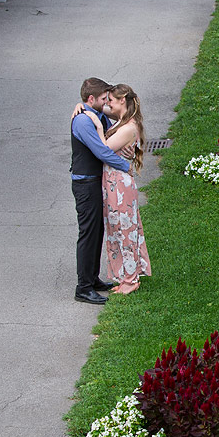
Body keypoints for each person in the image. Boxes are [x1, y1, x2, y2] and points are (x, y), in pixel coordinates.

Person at [75, 83, 152, 294]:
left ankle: (130, 280)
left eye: (111, 100)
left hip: (120, 185)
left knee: (125, 230)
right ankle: (126, 276)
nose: (107, 104)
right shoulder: (122, 120)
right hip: (112, 183)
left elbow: (104, 149)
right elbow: (94, 104)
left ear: (122, 100)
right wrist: (80, 106)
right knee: (117, 229)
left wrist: (99, 128)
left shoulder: (128, 127)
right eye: (106, 100)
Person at [71, 77, 129, 305]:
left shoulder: (94, 114)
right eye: (103, 99)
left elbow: (120, 115)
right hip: (85, 184)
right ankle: (83, 287)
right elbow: (101, 152)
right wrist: (127, 166)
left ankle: (92, 279)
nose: (107, 103)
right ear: (91, 98)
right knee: (88, 233)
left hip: (94, 181)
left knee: (96, 232)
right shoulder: (83, 122)